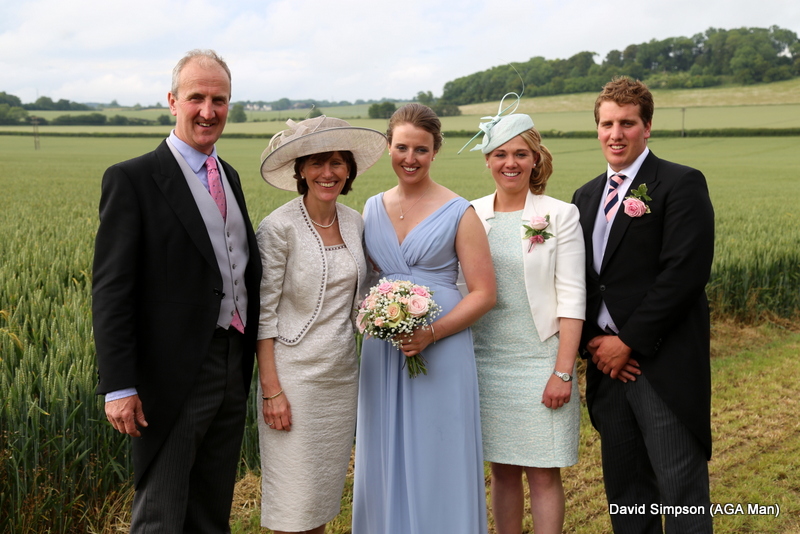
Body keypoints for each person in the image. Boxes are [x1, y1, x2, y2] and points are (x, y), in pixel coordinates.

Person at [92, 49, 262, 533]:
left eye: (219, 99)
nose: (208, 111)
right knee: (162, 512)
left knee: (211, 509)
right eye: (196, 98)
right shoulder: (133, 178)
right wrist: (120, 385)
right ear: (172, 101)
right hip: (170, 373)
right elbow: (111, 289)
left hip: (233, 361)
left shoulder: (227, 175)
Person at [571, 76, 715, 533]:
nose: (616, 133)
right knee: (628, 495)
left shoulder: (680, 183)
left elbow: (683, 276)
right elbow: (581, 280)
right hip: (607, 370)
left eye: (627, 123)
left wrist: (628, 342)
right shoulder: (586, 196)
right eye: (607, 123)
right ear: (597, 128)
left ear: (647, 127)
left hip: (662, 365)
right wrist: (594, 342)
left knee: (681, 494)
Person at [352, 103, 496, 534]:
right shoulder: (371, 207)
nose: (410, 158)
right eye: (401, 148)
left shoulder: (459, 211)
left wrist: (432, 332)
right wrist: (376, 316)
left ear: (435, 151)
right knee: (384, 448)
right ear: (388, 147)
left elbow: (485, 293)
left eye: (421, 149)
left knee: (438, 448)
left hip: (442, 347)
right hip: (384, 349)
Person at [255, 116, 386, 534]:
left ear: (348, 169)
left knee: (322, 499)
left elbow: (366, 290)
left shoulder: (355, 222)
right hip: (293, 381)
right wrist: (271, 390)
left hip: (341, 376)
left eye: (335, 163)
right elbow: (264, 315)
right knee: (294, 504)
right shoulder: (278, 228)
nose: (326, 173)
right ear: (300, 170)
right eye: (316, 163)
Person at [463, 108, 585, 534]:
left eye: (519, 153)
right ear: (487, 160)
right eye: (499, 154)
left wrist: (563, 373)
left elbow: (572, 298)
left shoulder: (559, 214)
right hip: (484, 362)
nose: (509, 163)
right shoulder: (470, 213)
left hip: (540, 362)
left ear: (536, 158)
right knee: (502, 469)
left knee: (543, 471)